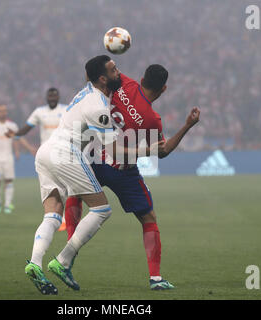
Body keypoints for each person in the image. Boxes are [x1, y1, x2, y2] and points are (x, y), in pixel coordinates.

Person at [63, 65, 200, 290]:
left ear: (142, 77)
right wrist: (187, 125)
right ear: (164, 89)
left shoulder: (124, 83)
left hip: (95, 155)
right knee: (148, 218)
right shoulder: (152, 119)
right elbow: (163, 151)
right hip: (122, 168)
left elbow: (94, 75)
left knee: (76, 192)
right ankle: (155, 278)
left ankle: (69, 250)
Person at [7, 55, 121, 295]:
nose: (118, 72)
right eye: (113, 69)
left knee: (52, 215)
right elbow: (114, 149)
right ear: (102, 78)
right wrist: (152, 149)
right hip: (65, 152)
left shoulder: (85, 91)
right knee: (102, 210)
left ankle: (35, 263)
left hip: (45, 151)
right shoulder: (98, 106)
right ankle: (64, 260)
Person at [6, 88, 70, 230]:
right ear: (46, 97)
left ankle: (65, 218)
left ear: (58, 96)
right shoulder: (39, 112)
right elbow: (27, 128)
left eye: (55, 95)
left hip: (62, 152)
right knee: (48, 188)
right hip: (45, 155)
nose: (52, 97)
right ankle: (52, 217)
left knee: (64, 187)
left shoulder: (67, 110)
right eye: (50, 95)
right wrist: (15, 135)